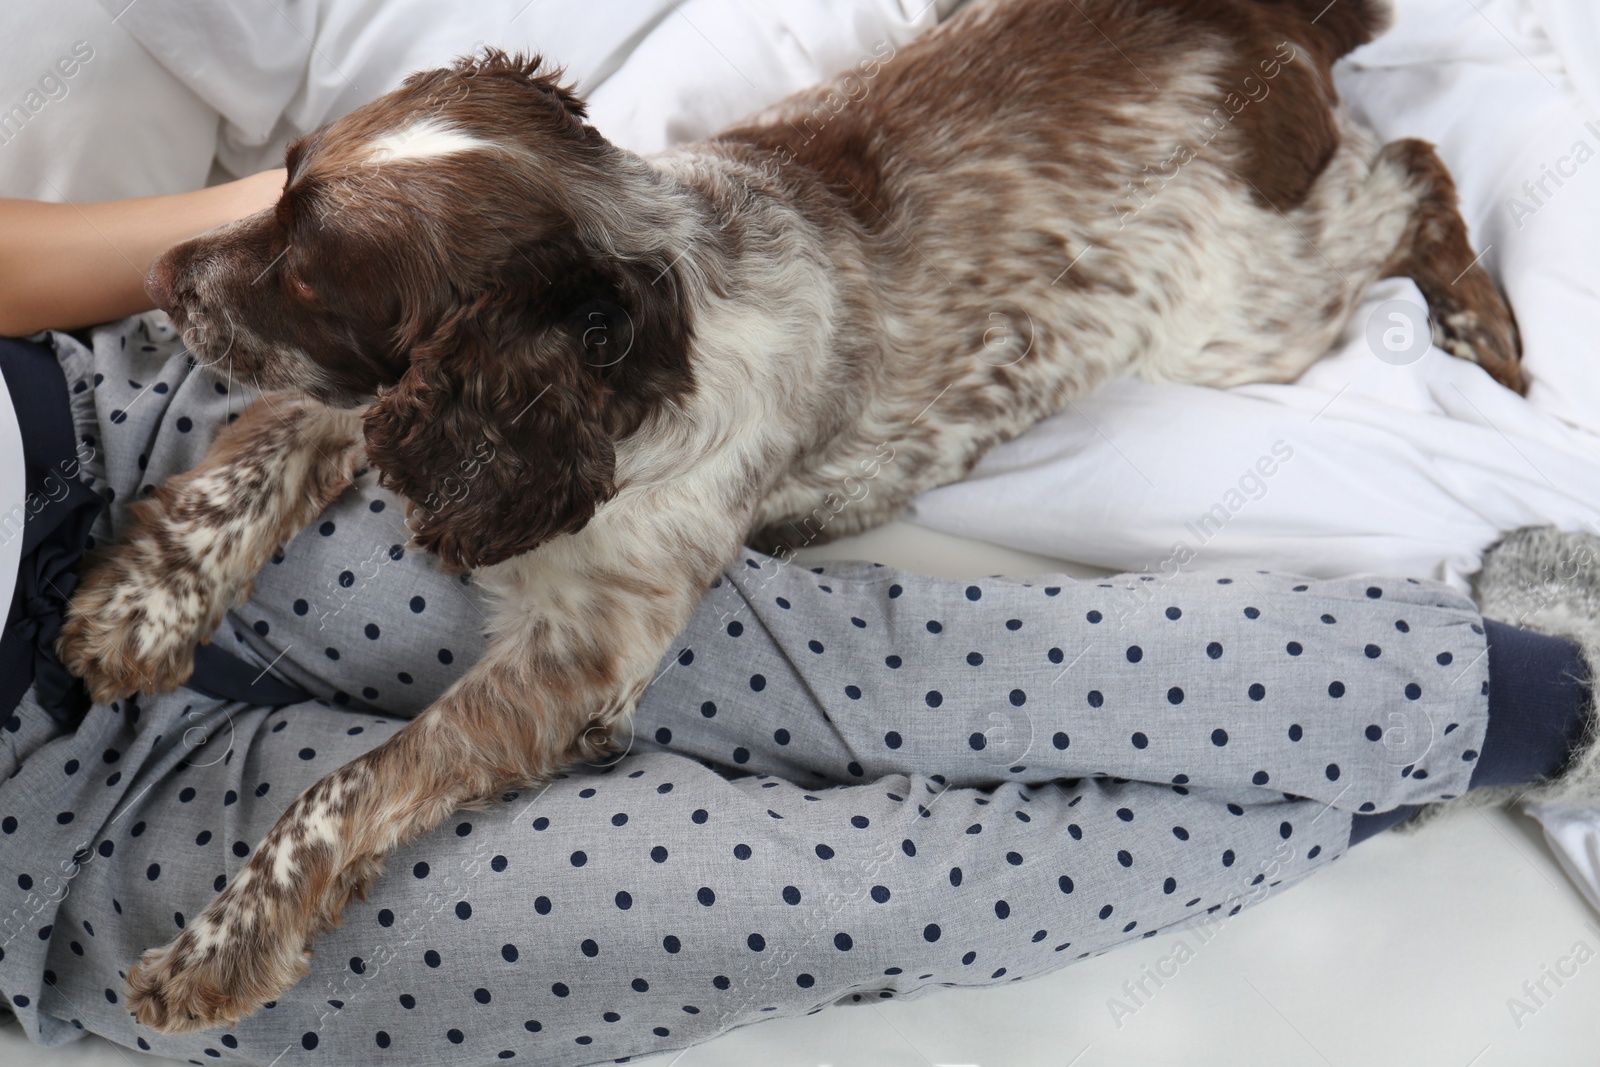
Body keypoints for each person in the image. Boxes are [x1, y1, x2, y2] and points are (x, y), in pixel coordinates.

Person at [1, 166, 1597, 1067]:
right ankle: (1396, 771)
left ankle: (1524, 689)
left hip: (148, 449)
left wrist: (410, 215)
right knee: (833, 905)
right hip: (67, 850)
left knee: (900, 672)